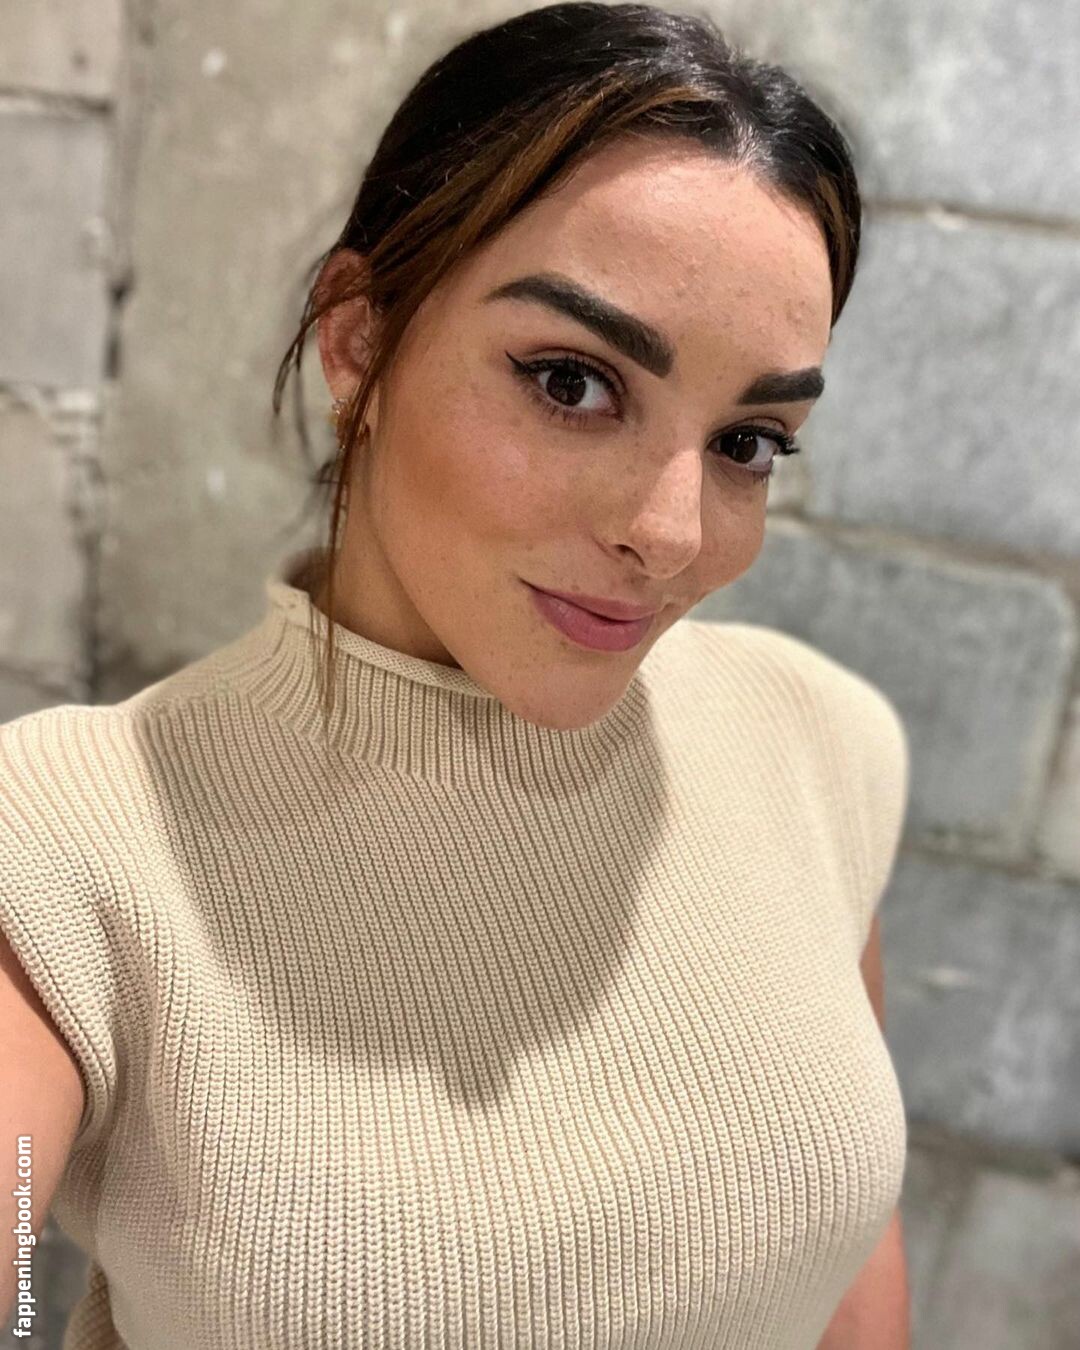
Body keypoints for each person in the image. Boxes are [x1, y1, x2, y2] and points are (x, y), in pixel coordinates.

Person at [0, 4, 913, 1347]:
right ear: (358, 341)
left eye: (748, 442)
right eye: (572, 382)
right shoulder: (70, 832)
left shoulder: (818, 741)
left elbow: (851, 1266)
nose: (670, 534)